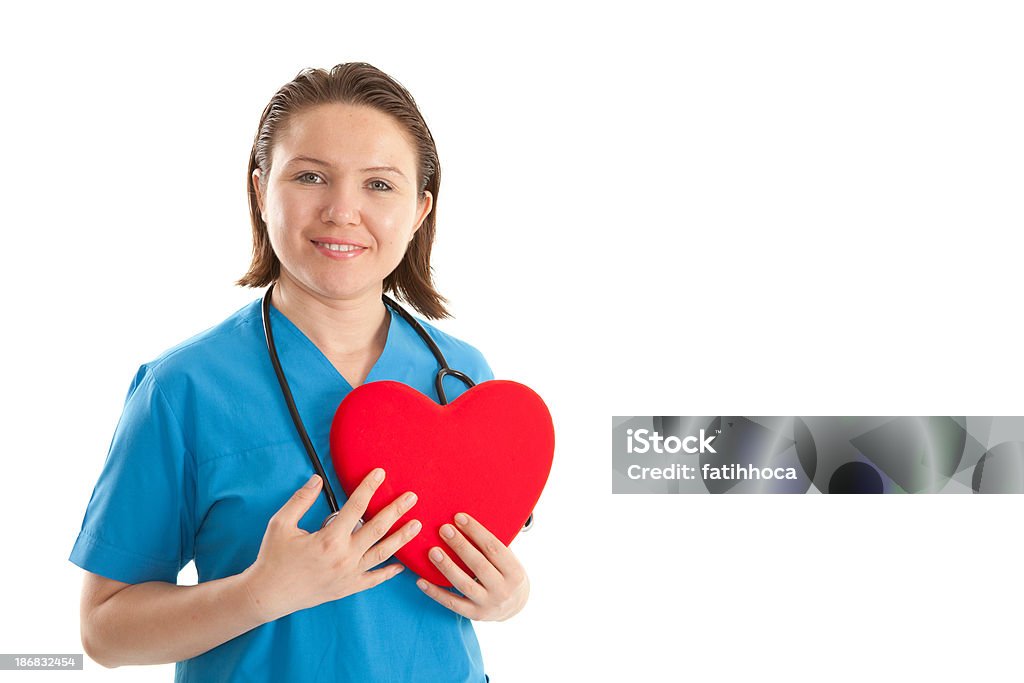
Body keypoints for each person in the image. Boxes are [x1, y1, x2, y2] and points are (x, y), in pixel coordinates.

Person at [70, 63, 529, 682]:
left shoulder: (463, 377)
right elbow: (105, 632)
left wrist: (508, 599)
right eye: (310, 176)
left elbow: (476, 567)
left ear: (420, 210)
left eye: (379, 185)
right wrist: (259, 594)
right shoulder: (182, 391)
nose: (343, 210)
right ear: (261, 190)